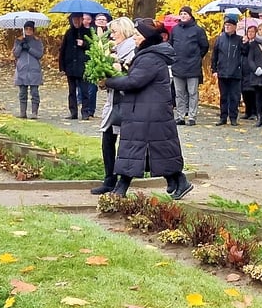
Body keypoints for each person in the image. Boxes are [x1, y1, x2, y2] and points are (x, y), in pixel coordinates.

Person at [103, 19, 192, 199]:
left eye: (137, 35)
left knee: (135, 148)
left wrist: (108, 82)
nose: (134, 38)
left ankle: (120, 189)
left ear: (147, 37)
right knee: (155, 150)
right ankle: (177, 180)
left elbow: (134, 81)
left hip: (148, 112)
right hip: (147, 111)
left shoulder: (150, 58)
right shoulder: (148, 54)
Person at [91, 17, 138, 195]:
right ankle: (109, 179)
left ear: (124, 31)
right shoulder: (113, 50)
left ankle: (122, 182)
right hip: (113, 103)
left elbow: (131, 77)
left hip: (127, 104)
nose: (112, 35)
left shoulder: (133, 51)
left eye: (114, 32)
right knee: (107, 141)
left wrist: (117, 73)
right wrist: (103, 81)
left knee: (125, 145)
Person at [170, 5, 209, 126]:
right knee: (179, 93)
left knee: (193, 93)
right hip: (177, 66)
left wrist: (196, 57)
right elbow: (170, 45)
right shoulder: (175, 30)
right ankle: (180, 116)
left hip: (193, 66)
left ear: (190, 16)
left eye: (185, 14)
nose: (183, 16)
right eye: (181, 14)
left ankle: (192, 116)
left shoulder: (198, 30)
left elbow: (204, 46)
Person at [211, 14, 246, 127]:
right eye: (226, 25)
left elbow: (245, 53)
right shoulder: (220, 39)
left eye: (229, 25)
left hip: (235, 73)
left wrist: (246, 43)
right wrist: (214, 70)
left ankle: (233, 117)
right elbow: (214, 55)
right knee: (224, 96)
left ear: (235, 27)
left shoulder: (239, 39)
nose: (227, 26)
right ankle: (223, 117)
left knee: (235, 97)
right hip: (222, 72)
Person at [59, 13, 90, 120]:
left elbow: (93, 47)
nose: (76, 21)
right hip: (70, 67)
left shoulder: (87, 32)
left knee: (84, 91)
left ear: (82, 19)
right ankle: (73, 112)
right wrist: (62, 65)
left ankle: (85, 112)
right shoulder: (69, 33)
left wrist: (84, 44)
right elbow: (63, 49)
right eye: (74, 19)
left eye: (78, 19)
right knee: (71, 91)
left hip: (83, 67)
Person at [13, 20, 44, 119]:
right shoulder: (18, 40)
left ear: (33, 30)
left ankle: (34, 112)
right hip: (22, 69)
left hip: (34, 70)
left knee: (34, 93)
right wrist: (20, 45)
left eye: (30, 29)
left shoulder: (37, 41)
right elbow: (16, 54)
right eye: (26, 29)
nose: (28, 31)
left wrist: (29, 48)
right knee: (22, 93)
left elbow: (39, 54)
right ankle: (23, 112)